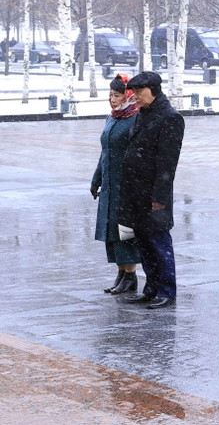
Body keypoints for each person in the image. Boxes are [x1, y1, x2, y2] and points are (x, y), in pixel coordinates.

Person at [118, 71, 184, 309]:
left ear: (153, 90)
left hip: (154, 194)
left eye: (139, 92)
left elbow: (168, 162)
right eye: (133, 92)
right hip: (135, 191)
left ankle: (167, 290)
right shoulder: (142, 113)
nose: (135, 96)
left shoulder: (170, 118)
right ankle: (151, 288)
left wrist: (159, 197)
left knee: (159, 243)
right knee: (144, 243)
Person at [90, 73, 141, 295]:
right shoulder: (113, 118)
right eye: (110, 95)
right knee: (112, 232)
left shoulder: (134, 119)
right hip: (110, 186)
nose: (113, 99)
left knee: (125, 232)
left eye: (117, 95)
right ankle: (121, 273)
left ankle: (130, 275)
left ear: (128, 95)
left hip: (127, 186)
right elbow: (105, 152)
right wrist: (96, 179)